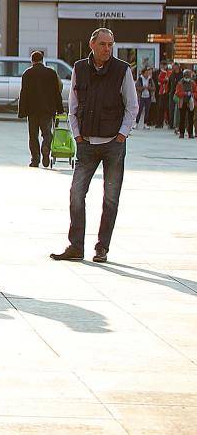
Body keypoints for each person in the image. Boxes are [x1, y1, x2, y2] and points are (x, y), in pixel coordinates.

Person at [51, 27, 136, 264]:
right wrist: (77, 135)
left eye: (110, 45)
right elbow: (74, 105)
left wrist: (122, 135)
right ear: (92, 45)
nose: (107, 49)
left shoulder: (122, 70)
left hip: (113, 144)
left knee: (110, 198)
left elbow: (132, 105)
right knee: (76, 194)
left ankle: (102, 247)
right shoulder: (79, 68)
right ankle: (75, 246)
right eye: (103, 44)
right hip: (87, 142)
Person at [19, 50, 64, 168]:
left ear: (32, 61)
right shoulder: (51, 73)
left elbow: (23, 93)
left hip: (32, 111)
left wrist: (22, 111)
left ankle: (35, 159)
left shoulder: (27, 74)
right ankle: (46, 149)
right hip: (47, 110)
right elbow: (56, 93)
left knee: (33, 136)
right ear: (42, 60)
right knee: (47, 134)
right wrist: (60, 109)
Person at [176, 68, 196, 139]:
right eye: (186, 75)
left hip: (191, 102)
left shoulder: (193, 83)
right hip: (182, 102)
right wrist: (185, 93)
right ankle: (182, 133)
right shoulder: (180, 83)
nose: (187, 77)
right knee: (182, 118)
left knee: (190, 118)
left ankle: (190, 133)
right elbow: (177, 93)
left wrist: (192, 94)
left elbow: (196, 91)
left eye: (188, 75)